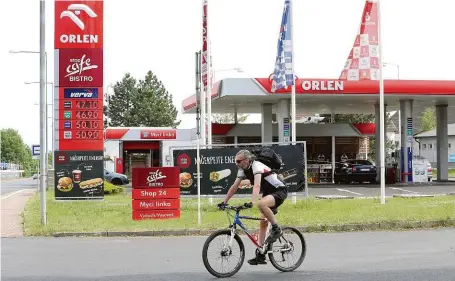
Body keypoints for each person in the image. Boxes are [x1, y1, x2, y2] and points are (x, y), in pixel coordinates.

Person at [218, 149, 288, 265]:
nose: (236, 163)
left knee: (261, 204)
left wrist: (253, 202)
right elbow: (235, 186)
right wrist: (224, 202)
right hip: (268, 193)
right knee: (263, 222)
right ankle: (261, 254)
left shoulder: (256, 165)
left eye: (238, 161)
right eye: (235, 161)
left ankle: (276, 228)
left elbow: (257, 185)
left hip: (279, 190)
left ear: (246, 160)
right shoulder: (242, 170)